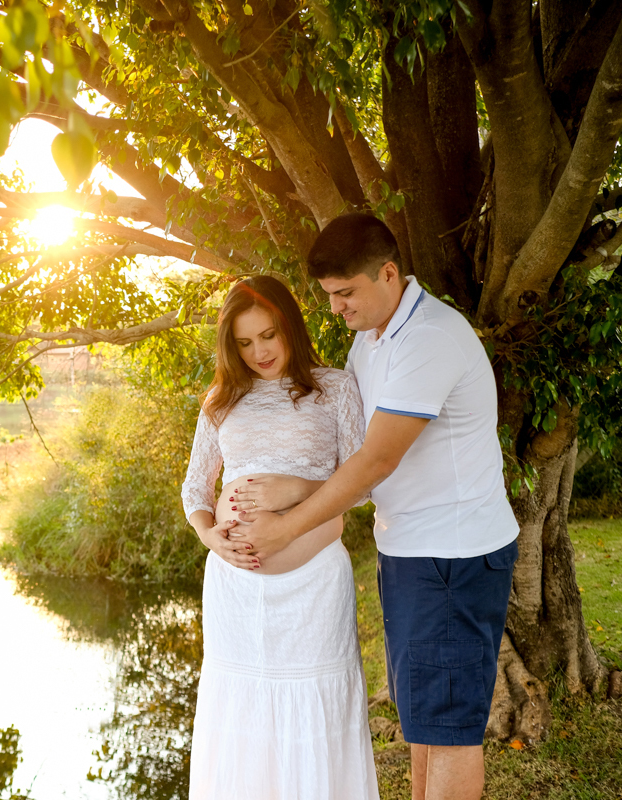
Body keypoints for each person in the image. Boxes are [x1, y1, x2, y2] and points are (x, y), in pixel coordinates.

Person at [229, 213, 519, 800]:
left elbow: (376, 460)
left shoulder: (429, 338)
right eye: (328, 295)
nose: (335, 308)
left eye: (345, 293)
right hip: (408, 551)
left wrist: (285, 527)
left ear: (388, 274)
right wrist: (290, 485)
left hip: (452, 557)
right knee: (423, 725)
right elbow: (352, 454)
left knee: (449, 731)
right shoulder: (371, 339)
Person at [181, 275, 379, 800]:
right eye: (245, 342)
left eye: (268, 335)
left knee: (312, 710)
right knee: (241, 714)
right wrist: (211, 537)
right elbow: (195, 489)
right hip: (235, 592)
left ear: (289, 324)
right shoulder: (220, 400)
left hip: (313, 589)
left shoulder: (335, 388)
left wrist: (295, 488)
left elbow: (361, 484)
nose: (260, 352)